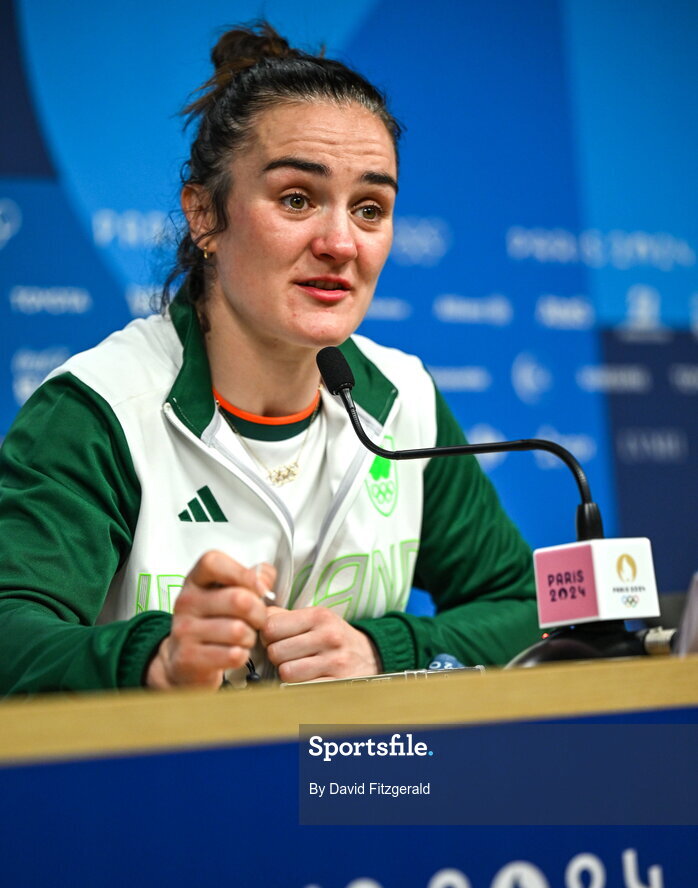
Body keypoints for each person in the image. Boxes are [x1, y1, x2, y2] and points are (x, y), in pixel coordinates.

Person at [0, 22, 538, 696]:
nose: (341, 243)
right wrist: (158, 659)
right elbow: (10, 632)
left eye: (370, 208)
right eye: (296, 199)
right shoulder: (100, 406)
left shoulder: (403, 399)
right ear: (203, 215)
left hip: (349, 781)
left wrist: (384, 648)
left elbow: (528, 609)